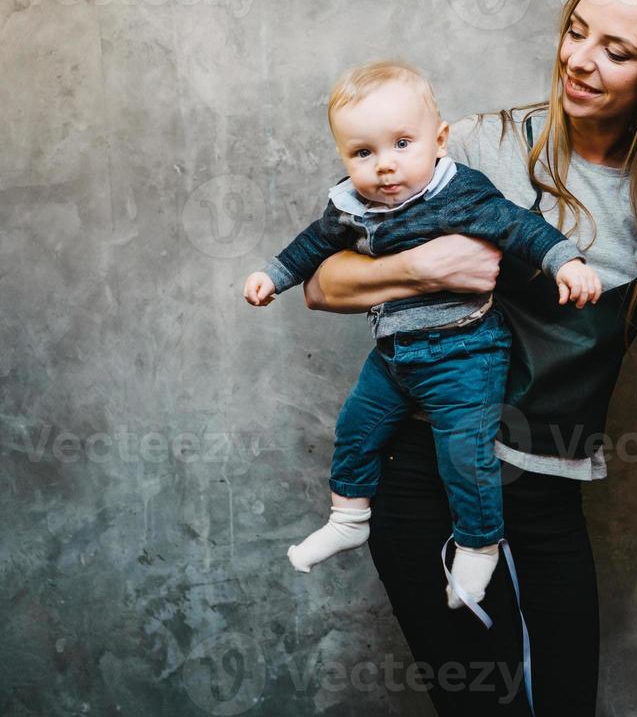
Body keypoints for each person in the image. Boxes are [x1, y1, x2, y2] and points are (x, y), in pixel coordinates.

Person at [302, 0, 637, 717]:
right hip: (428, 483)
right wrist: (417, 265)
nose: (580, 59)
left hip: (548, 495)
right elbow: (322, 283)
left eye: (616, 51)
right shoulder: (477, 147)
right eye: (575, 31)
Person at [243, 60, 602, 609]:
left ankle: (479, 546)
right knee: (356, 431)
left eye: (402, 144)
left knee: (464, 453)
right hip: (395, 354)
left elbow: (519, 227)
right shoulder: (351, 205)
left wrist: (566, 263)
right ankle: (348, 518)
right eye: (363, 153)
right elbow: (312, 248)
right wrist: (272, 275)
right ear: (344, 157)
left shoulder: (460, 192)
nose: (385, 167)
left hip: (466, 351)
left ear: (438, 141)